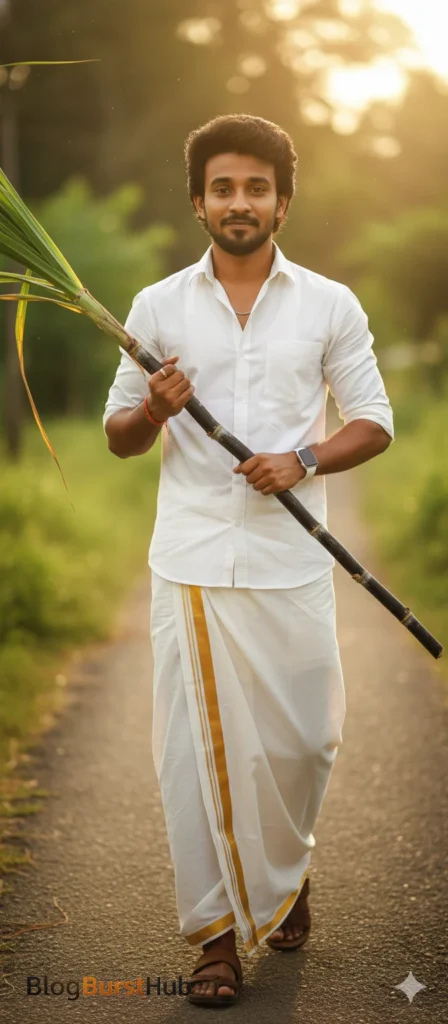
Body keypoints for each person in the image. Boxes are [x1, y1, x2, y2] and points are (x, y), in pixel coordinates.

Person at [103, 114, 394, 1007]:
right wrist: (154, 409)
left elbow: (375, 419)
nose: (240, 202)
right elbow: (118, 436)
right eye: (223, 187)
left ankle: (284, 870)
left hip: (291, 563)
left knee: (306, 743)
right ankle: (216, 940)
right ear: (198, 201)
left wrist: (301, 460)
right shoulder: (154, 308)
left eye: (256, 187)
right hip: (190, 563)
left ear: (282, 200)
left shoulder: (330, 304)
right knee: (193, 755)